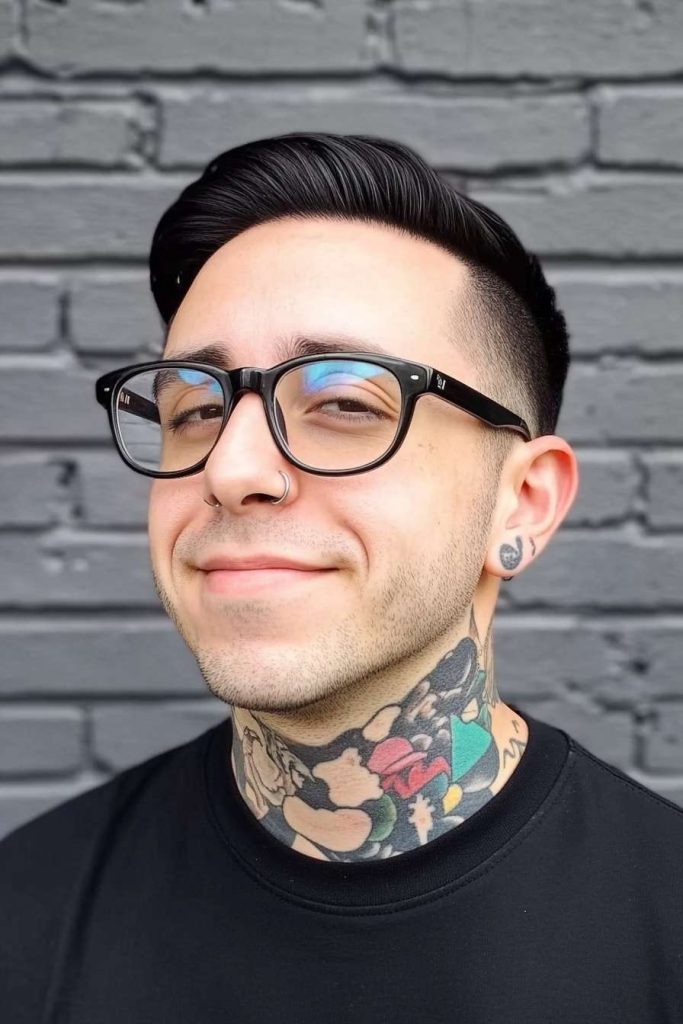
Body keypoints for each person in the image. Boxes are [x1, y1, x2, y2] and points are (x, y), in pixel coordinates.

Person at [1, 132, 681, 1023]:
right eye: (195, 408)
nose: (231, 468)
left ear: (520, 504)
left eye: (344, 403)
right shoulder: (26, 919)